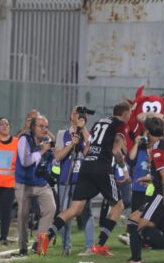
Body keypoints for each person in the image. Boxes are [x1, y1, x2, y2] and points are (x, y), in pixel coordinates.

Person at [39, 102, 132, 256]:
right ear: (124, 114)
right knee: (118, 206)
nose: (130, 117)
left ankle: (44, 238)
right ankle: (99, 245)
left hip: (86, 166)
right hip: (102, 167)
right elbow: (116, 148)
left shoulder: (99, 122)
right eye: (130, 114)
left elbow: (87, 149)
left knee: (74, 209)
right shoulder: (121, 124)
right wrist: (119, 160)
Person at [126, 117, 164, 263]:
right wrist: (152, 178)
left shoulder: (158, 150)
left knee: (141, 226)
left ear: (147, 132)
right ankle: (136, 259)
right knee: (133, 220)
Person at [53, 106, 93, 256]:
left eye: (82, 114)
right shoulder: (62, 134)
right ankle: (66, 245)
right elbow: (57, 156)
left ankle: (89, 245)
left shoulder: (88, 135)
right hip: (65, 180)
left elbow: (89, 152)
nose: (78, 116)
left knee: (85, 213)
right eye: (76, 113)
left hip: (83, 180)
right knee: (64, 212)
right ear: (71, 116)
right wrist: (71, 144)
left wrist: (83, 130)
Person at [14, 115, 57, 257]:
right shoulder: (24, 139)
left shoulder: (47, 141)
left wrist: (52, 155)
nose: (45, 130)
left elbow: (54, 162)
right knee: (22, 215)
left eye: (46, 127)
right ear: (33, 127)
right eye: (41, 126)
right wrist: (42, 151)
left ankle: (39, 245)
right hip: (24, 184)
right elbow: (25, 161)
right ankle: (22, 248)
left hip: (41, 183)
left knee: (51, 208)